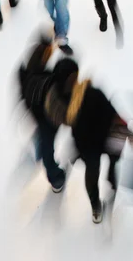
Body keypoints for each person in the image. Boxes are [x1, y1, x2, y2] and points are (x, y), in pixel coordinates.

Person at [44, 58, 123, 223]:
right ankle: (110, 188)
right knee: (109, 168)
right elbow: (111, 112)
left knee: (92, 176)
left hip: (86, 147)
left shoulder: (62, 103)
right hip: (104, 139)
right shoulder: (91, 93)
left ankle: (96, 208)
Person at [17, 35, 67, 191]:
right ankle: (55, 179)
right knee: (47, 145)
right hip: (45, 116)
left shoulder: (27, 71)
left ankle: (38, 152)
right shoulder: (45, 78)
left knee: (42, 139)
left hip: (37, 112)